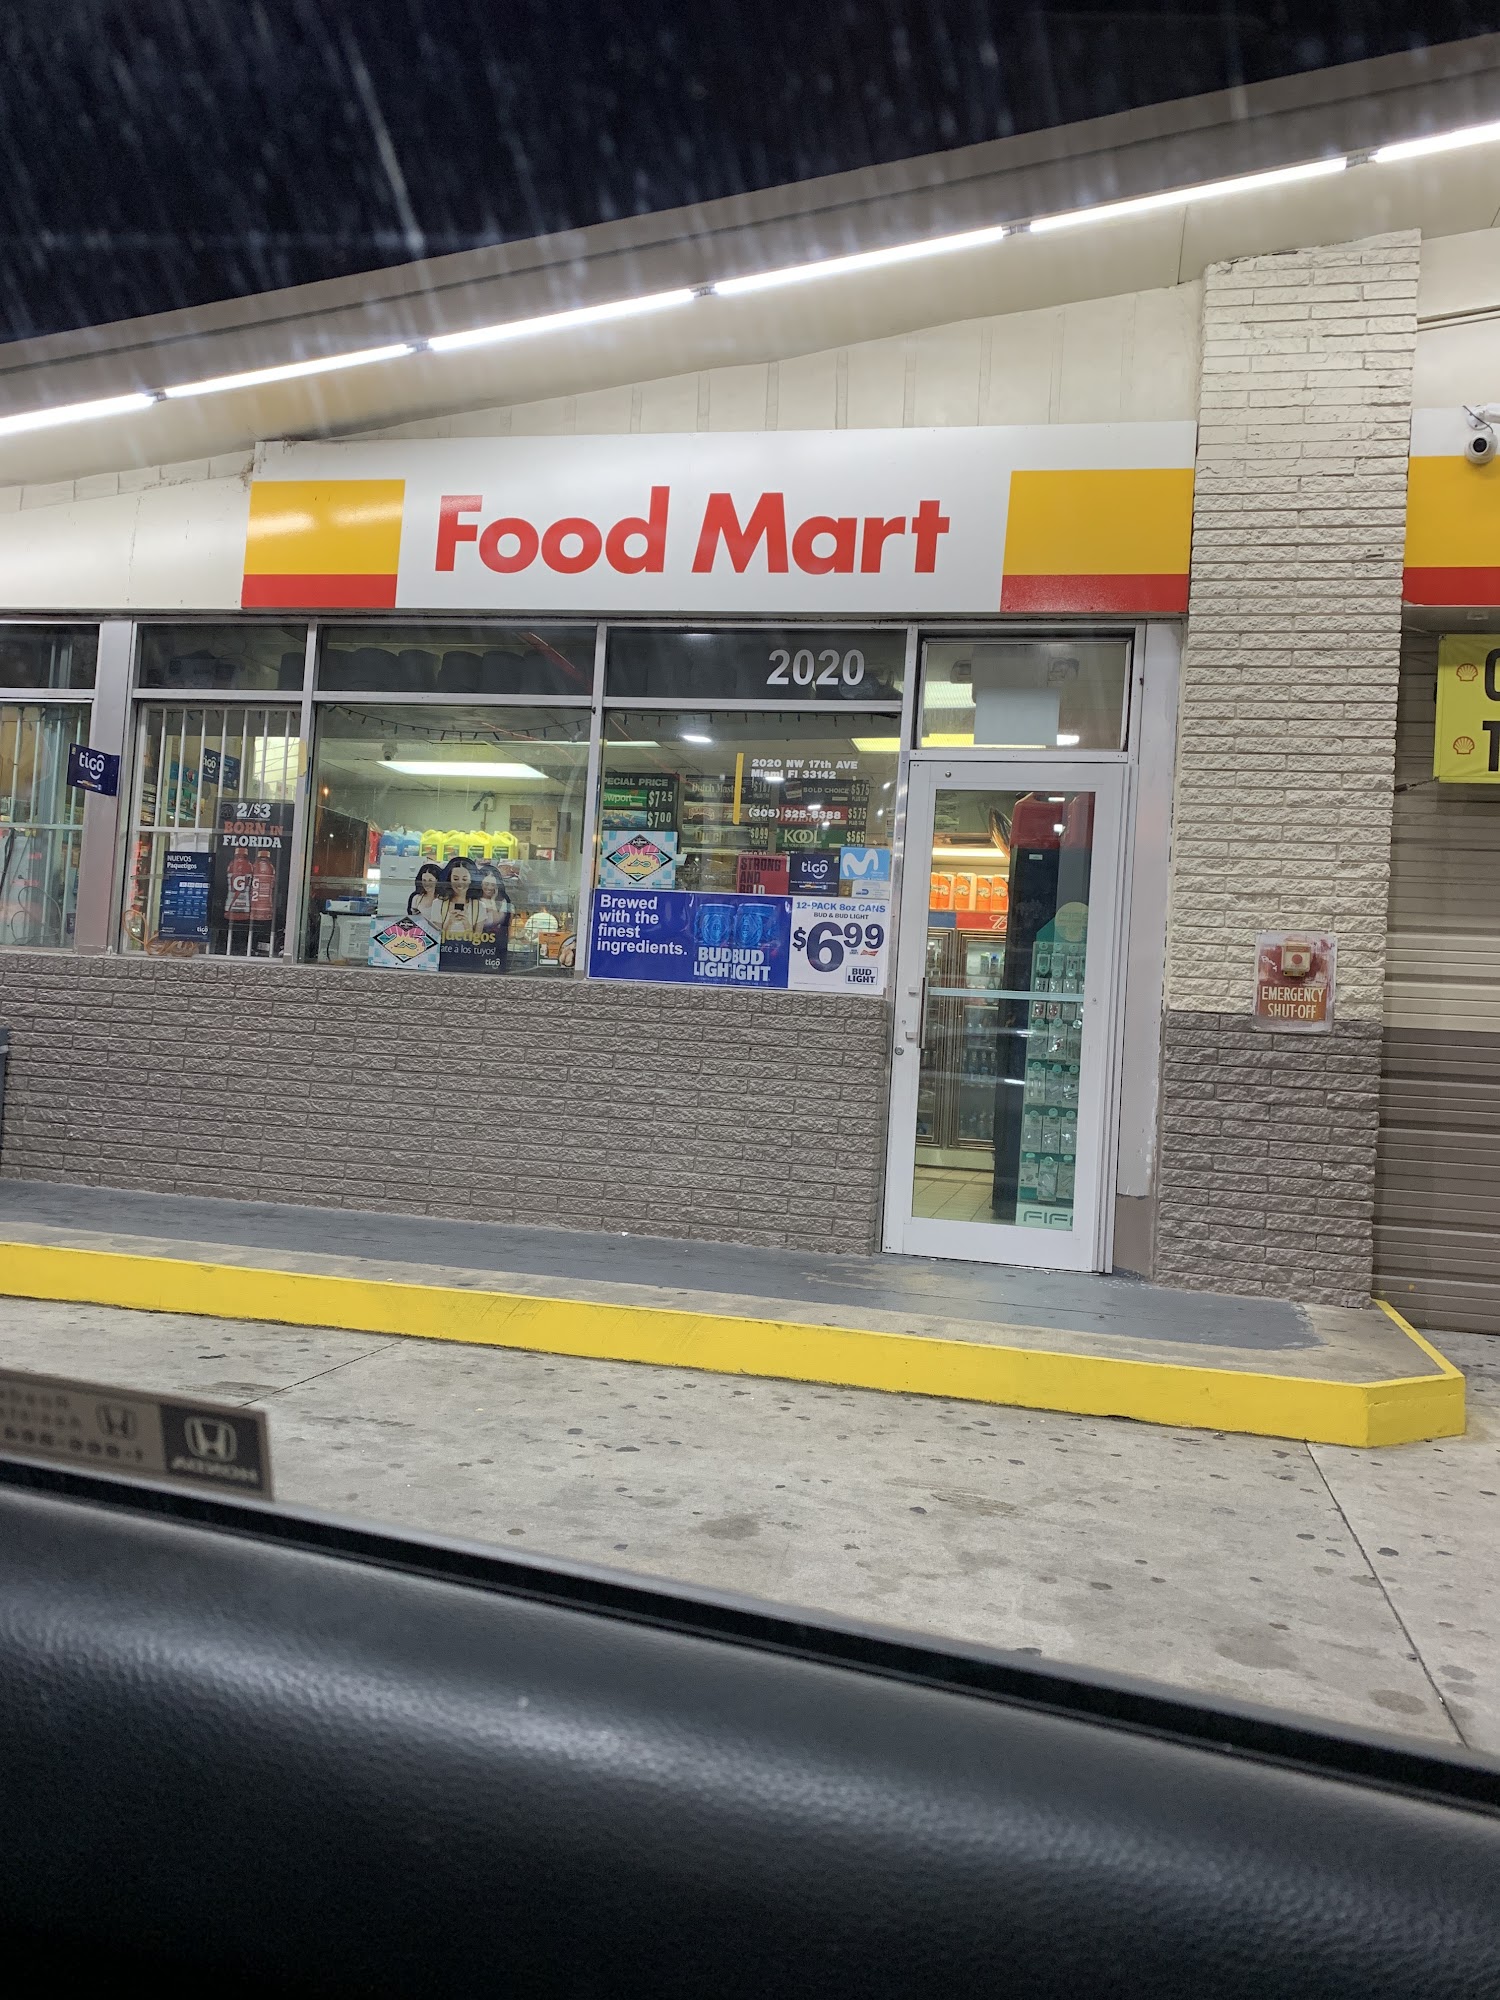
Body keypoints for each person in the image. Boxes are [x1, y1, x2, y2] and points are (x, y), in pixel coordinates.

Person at [473, 860, 513, 969]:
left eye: (493, 885)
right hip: (476, 944)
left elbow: (497, 920)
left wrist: (493, 902)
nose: (489, 888)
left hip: (496, 946)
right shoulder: (474, 900)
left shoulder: (502, 901)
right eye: (486, 884)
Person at [407, 862, 442, 929]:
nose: (427, 884)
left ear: (437, 881)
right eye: (424, 880)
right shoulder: (416, 898)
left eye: (430, 880)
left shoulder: (443, 900)